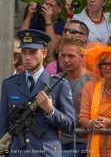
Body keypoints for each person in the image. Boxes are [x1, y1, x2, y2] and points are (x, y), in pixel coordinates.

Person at [0, 29, 75, 157]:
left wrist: (51, 111)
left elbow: (71, 126)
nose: (28, 57)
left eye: (33, 52)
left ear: (44, 53)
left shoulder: (59, 84)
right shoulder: (9, 84)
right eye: (24, 52)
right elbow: (3, 125)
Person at [59, 35, 90, 157]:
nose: (66, 60)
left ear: (82, 56)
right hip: (59, 142)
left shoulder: (93, 82)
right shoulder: (55, 81)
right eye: (63, 55)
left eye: (71, 56)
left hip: (84, 142)